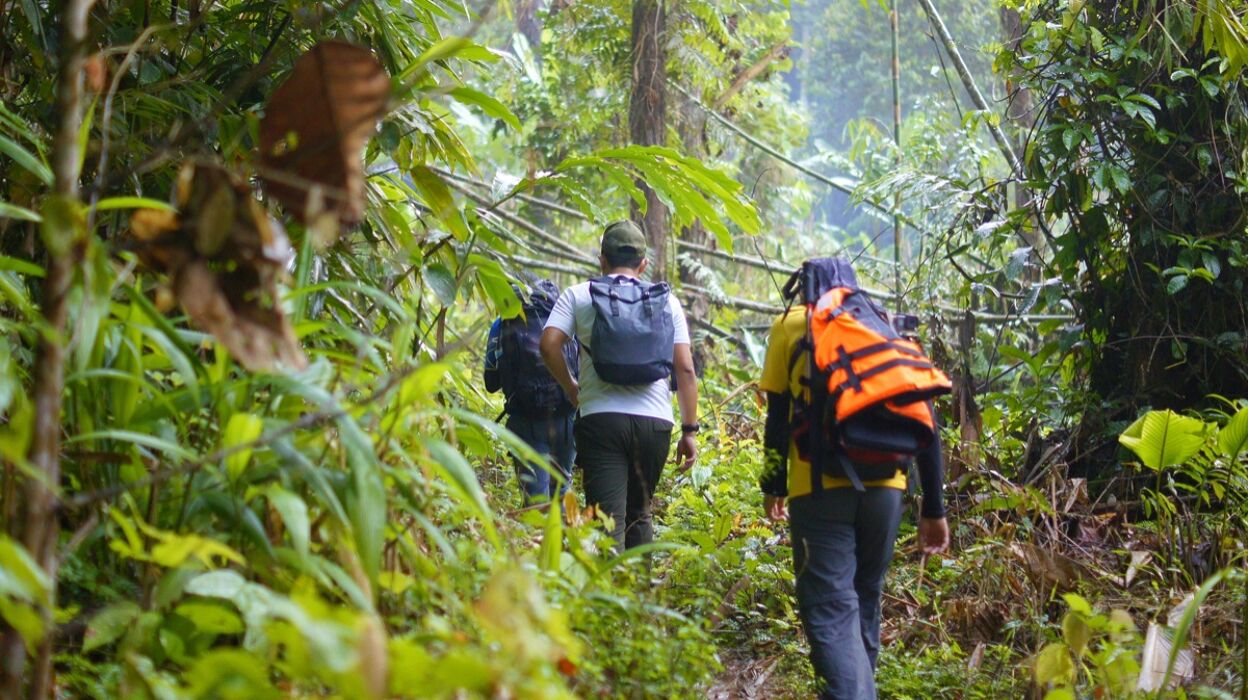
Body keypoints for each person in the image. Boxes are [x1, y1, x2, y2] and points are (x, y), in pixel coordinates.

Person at [759, 268, 950, 700]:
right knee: (865, 597)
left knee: (829, 609)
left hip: (818, 489)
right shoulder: (882, 324)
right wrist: (934, 509)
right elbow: (927, 423)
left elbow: (777, 417)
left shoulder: (792, 325)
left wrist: (773, 483)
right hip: (887, 489)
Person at [539, 220, 699, 550]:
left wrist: (571, 385)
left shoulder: (579, 295)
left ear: (602, 259)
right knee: (639, 514)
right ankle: (639, 597)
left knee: (606, 520)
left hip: (601, 419)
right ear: (643, 264)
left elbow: (548, 344)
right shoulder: (666, 301)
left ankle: (609, 596)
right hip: (655, 424)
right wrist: (689, 431)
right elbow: (684, 369)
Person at [484, 277, 578, 506]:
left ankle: (538, 539)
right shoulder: (564, 321)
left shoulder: (503, 324)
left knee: (536, 502)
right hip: (566, 421)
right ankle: (563, 539)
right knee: (562, 492)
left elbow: (491, 382)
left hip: (525, 422)